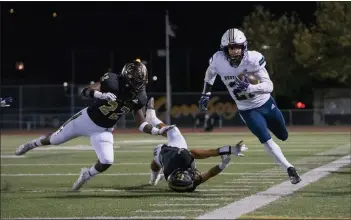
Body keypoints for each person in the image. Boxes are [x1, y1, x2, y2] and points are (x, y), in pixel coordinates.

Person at [15, 61, 173, 191]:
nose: (138, 86)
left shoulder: (140, 96)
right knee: (55, 140)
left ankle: (86, 174)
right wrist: (100, 95)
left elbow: (141, 123)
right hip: (85, 120)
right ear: (126, 78)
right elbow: (84, 91)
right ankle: (32, 144)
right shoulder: (112, 81)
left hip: (104, 130)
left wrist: (155, 131)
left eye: (141, 82)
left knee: (107, 160)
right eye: (135, 82)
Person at [198, 28, 301, 184]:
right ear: (224, 49)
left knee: (283, 136)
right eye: (230, 48)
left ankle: (287, 160)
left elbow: (269, 86)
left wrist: (251, 88)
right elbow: (210, 73)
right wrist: (206, 94)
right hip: (246, 109)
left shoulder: (253, 59)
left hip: (265, 103)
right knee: (265, 139)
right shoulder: (218, 60)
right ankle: (289, 168)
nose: (234, 51)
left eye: (237, 47)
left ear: (244, 46)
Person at [146, 97, 248, 192]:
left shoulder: (182, 158)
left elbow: (203, 153)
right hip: (170, 164)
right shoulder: (189, 184)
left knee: (168, 136)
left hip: (164, 153)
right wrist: (223, 165)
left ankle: (151, 119)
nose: (195, 175)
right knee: (171, 136)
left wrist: (228, 149)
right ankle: (154, 179)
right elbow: (209, 174)